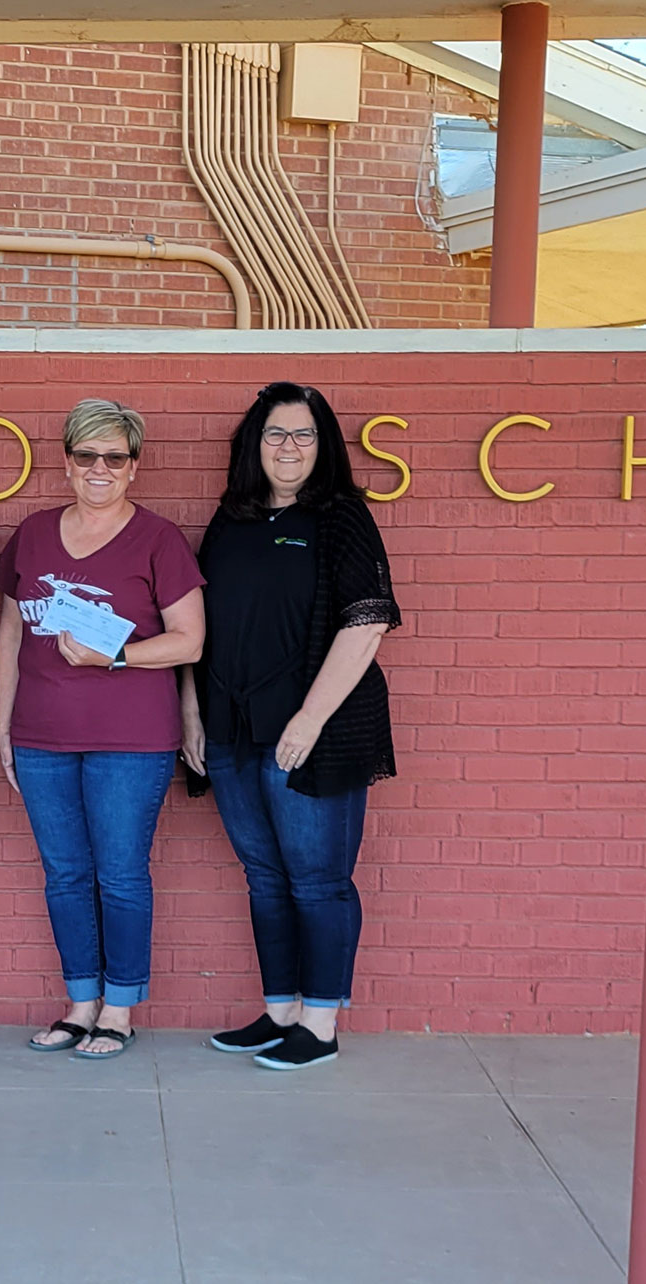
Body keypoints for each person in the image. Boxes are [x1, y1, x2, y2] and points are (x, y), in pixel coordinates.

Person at [181, 382, 400, 1070]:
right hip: (230, 731)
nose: (289, 447)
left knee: (318, 882)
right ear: (254, 443)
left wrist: (310, 717)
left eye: (304, 434)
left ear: (324, 444)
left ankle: (321, 1022)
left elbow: (368, 621)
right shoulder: (231, 517)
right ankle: (280, 1013)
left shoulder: (339, 517)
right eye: (276, 433)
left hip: (310, 734)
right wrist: (191, 712)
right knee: (265, 879)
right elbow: (195, 623)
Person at [0, 399, 205, 1058]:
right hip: (41, 735)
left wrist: (115, 654)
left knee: (118, 875)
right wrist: (4, 724)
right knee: (63, 876)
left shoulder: (159, 540)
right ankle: (80, 1001)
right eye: (86, 455)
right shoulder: (31, 534)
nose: (100, 468)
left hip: (131, 739)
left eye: (115, 456)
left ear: (134, 467)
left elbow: (190, 642)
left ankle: (119, 1008)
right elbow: (7, 633)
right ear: (66, 462)